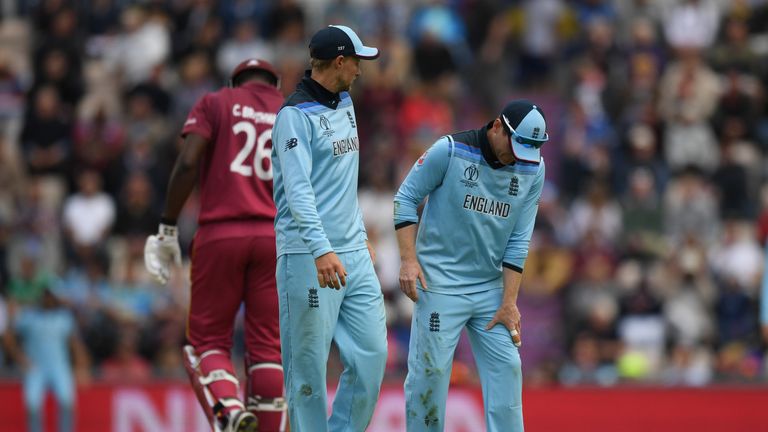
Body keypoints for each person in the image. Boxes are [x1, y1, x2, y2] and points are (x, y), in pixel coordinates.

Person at [144, 59, 285, 432]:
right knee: (269, 349)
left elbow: (189, 162)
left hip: (221, 234)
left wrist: (168, 226)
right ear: (276, 84)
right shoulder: (292, 112)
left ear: (234, 81)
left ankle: (228, 410)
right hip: (276, 240)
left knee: (207, 343)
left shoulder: (216, 102)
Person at [394, 100, 548, 431]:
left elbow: (520, 239)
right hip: (439, 285)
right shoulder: (448, 151)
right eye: (517, 146)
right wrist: (408, 260)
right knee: (430, 375)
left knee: (508, 367)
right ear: (496, 127)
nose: (518, 158)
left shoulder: (533, 167)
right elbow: (405, 198)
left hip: (491, 289)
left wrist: (509, 302)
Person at [271, 25, 388, 432]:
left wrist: (356, 236)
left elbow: (342, 180)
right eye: (358, 61)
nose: (360, 69)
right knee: (307, 371)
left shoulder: (345, 101)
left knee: (372, 356)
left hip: (353, 252)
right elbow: (299, 193)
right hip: (308, 255)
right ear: (340, 61)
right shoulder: (293, 117)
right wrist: (322, 249)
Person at [4, 288, 90, 432]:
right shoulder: (29, 317)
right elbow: (8, 336)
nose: (49, 300)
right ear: (42, 297)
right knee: (32, 405)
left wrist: (81, 367)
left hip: (59, 366)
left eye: (51, 296)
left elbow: (75, 344)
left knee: (67, 402)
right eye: (46, 296)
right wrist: (20, 358)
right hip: (35, 367)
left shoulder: (64, 318)